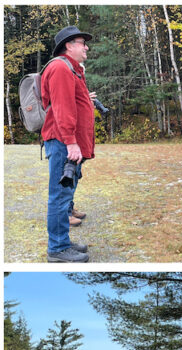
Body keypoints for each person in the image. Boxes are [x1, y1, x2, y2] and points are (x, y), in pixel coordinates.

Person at [41, 25, 95, 261]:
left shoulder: (72, 70)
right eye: (82, 43)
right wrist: (72, 143)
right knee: (59, 195)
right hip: (64, 143)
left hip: (68, 143)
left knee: (65, 194)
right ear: (69, 46)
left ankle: (63, 242)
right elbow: (63, 109)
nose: (86, 47)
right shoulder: (60, 68)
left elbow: (74, 103)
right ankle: (57, 249)